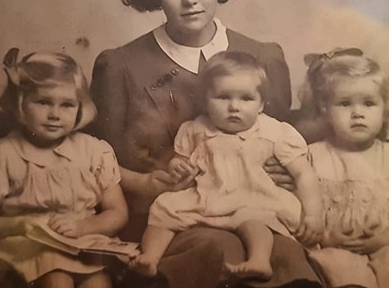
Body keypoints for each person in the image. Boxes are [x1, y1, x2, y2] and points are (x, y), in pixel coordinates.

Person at [89, 0, 319, 288]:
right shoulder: (119, 66)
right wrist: (149, 182)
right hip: (170, 219)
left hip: (255, 209)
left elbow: (277, 141)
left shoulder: (263, 57)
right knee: (219, 246)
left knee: (281, 253)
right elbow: (98, 162)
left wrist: (285, 174)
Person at [128, 51, 324, 280]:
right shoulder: (195, 129)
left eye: (246, 98)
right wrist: (177, 166)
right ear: (206, 101)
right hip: (207, 197)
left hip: (254, 197)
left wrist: (313, 216)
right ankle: (150, 257)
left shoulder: (275, 132)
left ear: (261, 104)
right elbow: (180, 159)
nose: (234, 107)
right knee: (163, 209)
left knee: (254, 220)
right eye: (223, 97)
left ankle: (259, 260)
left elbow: (304, 174)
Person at [0, 48, 128, 288]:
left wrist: (84, 226)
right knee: (57, 279)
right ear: (20, 103)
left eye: (67, 105)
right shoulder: (1, 155)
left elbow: (117, 212)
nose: (55, 114)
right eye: (43, 102)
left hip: (82, 239)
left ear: (80, 108)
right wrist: (20, 224)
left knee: (97, 282)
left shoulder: (95, 152)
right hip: (30, 244)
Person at [299, 47, 389, 287]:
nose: (357, 113)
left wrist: (386, 238)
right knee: (336, 268)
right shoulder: (312, 157)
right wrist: (326, 236)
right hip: (337, 247)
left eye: (368, 103)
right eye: (344, 104)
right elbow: (299, 214)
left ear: (385, 109)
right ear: (325, 110)